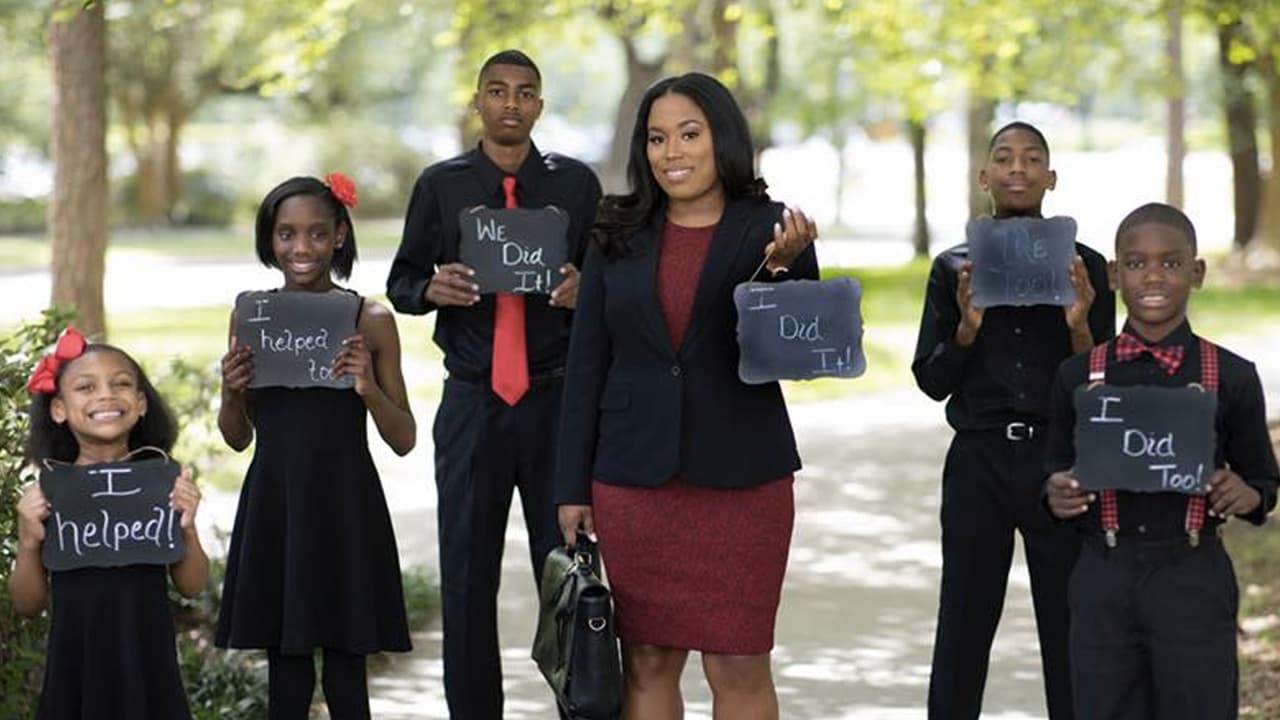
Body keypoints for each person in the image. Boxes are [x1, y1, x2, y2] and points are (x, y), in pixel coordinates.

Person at [555, 71, 818, 720]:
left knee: (739, 662)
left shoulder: (772, 229)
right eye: (657, 138)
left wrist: (784, 269)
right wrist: (571, 487)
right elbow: (586, 365)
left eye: (689, 134)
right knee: (646, 660)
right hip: (635, 482)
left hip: (743, 479)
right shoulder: (614, 231)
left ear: (721, 137)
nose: (672, 151)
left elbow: (796, 356)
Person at [385, 48, 601, 716]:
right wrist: (430, 287)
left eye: (526, 92)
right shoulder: (441, 185)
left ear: (540, 104)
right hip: (474, 401)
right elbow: (400, 282)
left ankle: (582, 706)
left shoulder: (576, 185)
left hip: (555, 402)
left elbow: (610, 283)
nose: (511, 103)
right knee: (467, 580)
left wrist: (583, 291)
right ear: (477, 100)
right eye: (498, 91)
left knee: (569, 576)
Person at [912, 121, 1115, 719]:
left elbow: (1103, 386)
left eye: (1032, 159)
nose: (1018, 169)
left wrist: (1080, 323)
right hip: (978, 461)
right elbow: (931, 380)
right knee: (964, 620)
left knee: (1068, 621)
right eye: (1004, 158)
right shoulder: (954, 269)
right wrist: (966, 330)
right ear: (985, 177)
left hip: (1060, 463)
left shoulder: (1086, 267)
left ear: (1052, 177)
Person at [1044, 202, 1278, 719]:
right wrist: (1055, 491)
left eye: (1171, 263)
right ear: (1113, 274)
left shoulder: (1232, 376)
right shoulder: (1078, 375)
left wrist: (1249, 492)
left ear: (1196, 274)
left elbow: (1263, 477)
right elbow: (1053, 465)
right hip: (1103, 572)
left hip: (1192, 573)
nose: (1153, 275)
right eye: (1136, 263)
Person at [216, 173, 415, 720]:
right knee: (287, 669)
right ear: (269, 240)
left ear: (340, 237)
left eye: (315, 234)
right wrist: (231, 391)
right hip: (277, 502)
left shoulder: (369, 319)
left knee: (349, 669)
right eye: (285, 235)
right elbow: (237, 437)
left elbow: (404, 438)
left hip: (346, 503)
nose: (300, 248)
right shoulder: (251, 316)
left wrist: (367, 386)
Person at [9, 327, 209, 719]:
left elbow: (191, 585)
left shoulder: (160, 484)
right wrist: (28, 541)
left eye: (120, 384)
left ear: (140, 404)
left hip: (147, 660)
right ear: (59, 409)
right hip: (76, 664)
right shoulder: (52, 492)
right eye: (86, 387)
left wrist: (187, 525)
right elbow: (27, 604)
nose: (105, 395)